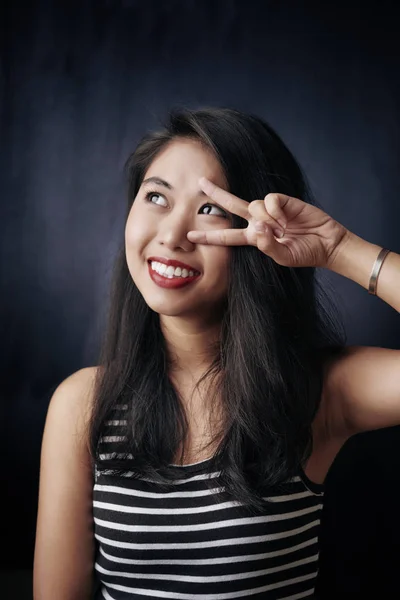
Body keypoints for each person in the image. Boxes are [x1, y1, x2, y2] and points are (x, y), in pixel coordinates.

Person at [33, 107, 400, 600]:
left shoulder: (320, 392)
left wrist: (338, 250)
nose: (172, 235)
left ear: (259, 236)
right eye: (157, 197)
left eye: (210, 209)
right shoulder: (82, 404)